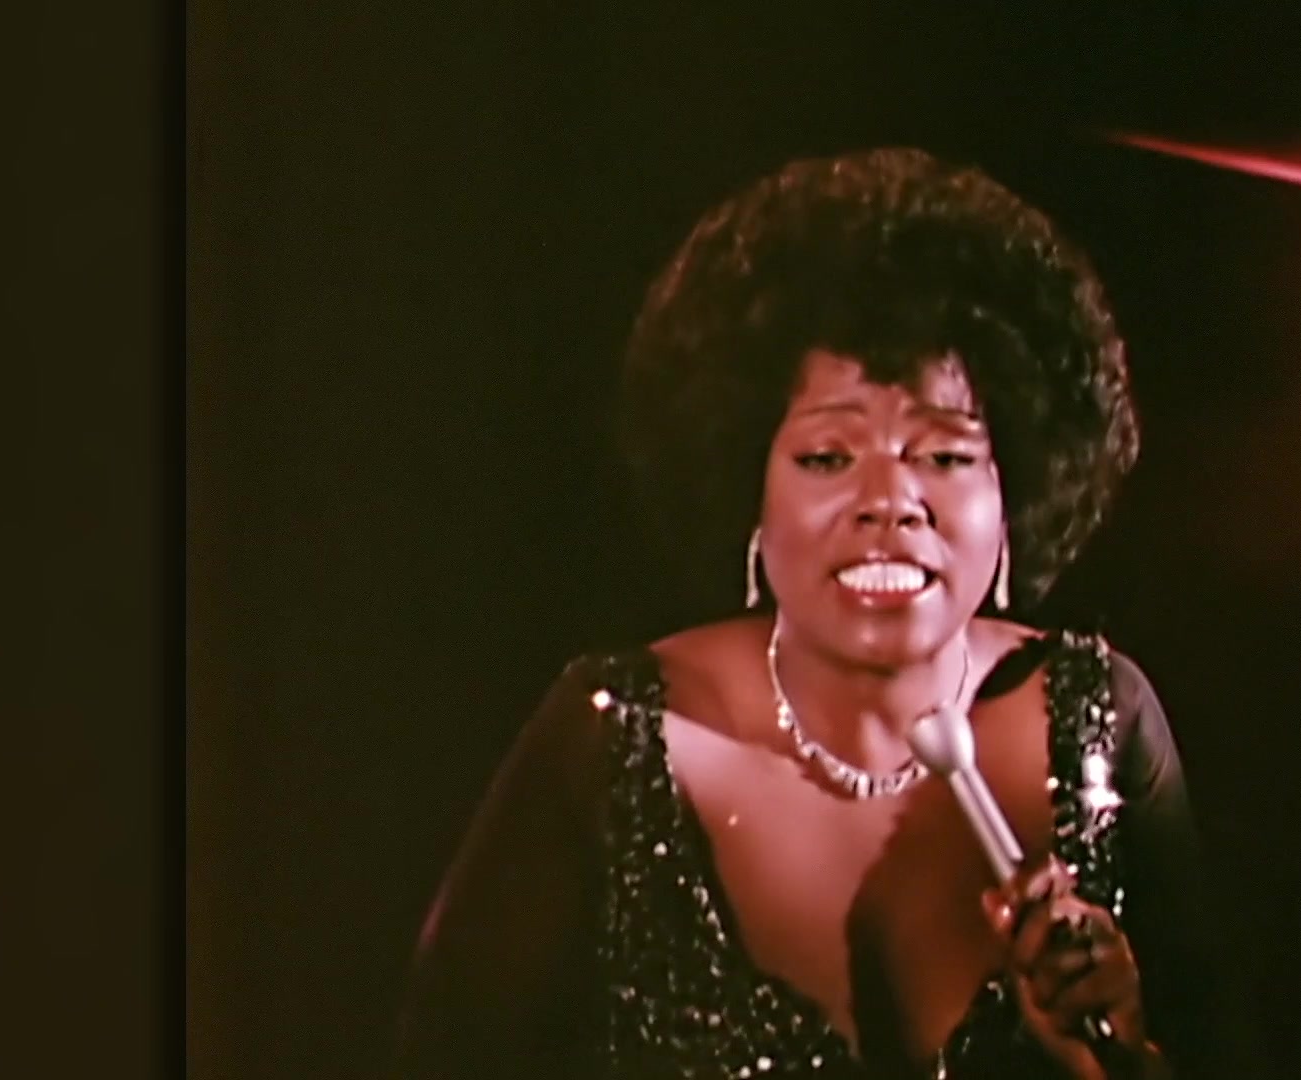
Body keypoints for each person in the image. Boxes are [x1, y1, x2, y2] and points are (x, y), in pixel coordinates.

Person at [391, 148, 1236, 1080]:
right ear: (750, 489)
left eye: (945, 457)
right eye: (829, 457)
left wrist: (1114, 1056)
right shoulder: (612, 741)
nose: (890, 502)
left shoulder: (1100, 724)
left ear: (1017, 494)